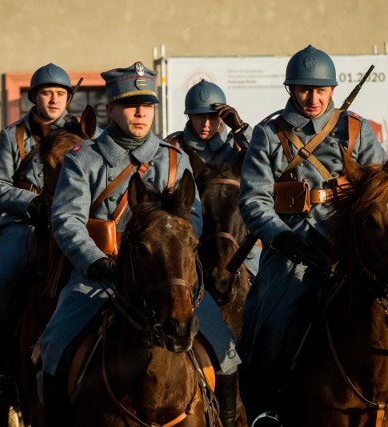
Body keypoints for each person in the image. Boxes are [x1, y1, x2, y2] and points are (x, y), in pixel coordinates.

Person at [237, 45, 388, 426]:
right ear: (290, 89)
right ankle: (269, 412)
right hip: (294, 251)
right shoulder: (269, 134)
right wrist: (281, 237)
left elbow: (382, 188)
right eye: (304, 89)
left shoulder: (356, 128)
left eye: (321, 90)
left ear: (333, 89)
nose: (313, 98)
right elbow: (253, 200)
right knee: (271, 322)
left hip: (355, 247)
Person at [38, 61, 240, 426]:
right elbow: (66, 220)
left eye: (146, 106)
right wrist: (94, 261)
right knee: (54, 348)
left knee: (225, 352)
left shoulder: (174, 159)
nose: (140, 113)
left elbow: (192, 221)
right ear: (112, 109)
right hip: (101, 275)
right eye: (131, 106)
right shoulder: (83, 160)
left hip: (166, 277)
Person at [0, 63, 74, 406]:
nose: (54, 99)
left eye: (60, 94)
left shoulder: (83, 135)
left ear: (68, 99)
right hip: (23, 222)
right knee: (6, 277)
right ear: (34, 97)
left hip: (70, 222)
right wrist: (32, 202)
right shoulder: (13, 136)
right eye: (47, 93)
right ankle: (3, 372)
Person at [167, 79, 260, 277]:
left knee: (265, 286)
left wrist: (241, 129)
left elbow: (265, 160)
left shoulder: (238, 143)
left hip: (237, 239)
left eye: (212, 116)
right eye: (199, 116)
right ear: (189, 116)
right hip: (190, 239)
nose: (206, 124)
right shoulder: (174, 146)